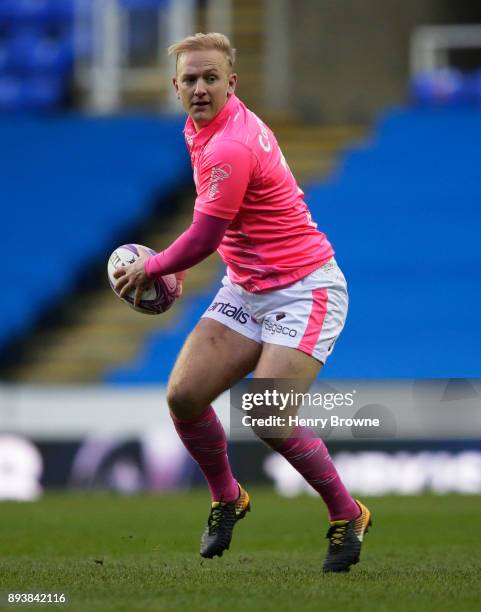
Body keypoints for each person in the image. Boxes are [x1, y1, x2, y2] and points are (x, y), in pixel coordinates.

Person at [113, 32, 372, 572]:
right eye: (190, 79)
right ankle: (228, 497)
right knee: (184, 396)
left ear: (233, 82)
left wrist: (156, 266)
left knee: (268, 416)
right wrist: (175, 266)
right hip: (247, 286)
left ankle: (348, 515)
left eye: (212, 78)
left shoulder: (229, 144)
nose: (201, 88)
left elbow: (204, 239)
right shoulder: (200, 127)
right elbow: (217, 230)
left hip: (305, 289)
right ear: (175, 86)